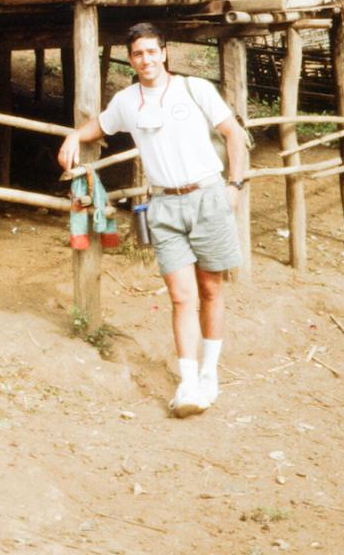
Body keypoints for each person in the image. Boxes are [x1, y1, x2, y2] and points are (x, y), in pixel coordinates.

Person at [57, 22, 248, 417]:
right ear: (131, 59)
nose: (145, 59)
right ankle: (189, 383)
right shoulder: (128, 101)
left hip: (208, 195)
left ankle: (210, 374)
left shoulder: (195, 90)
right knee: (181, 296)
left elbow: (232, 133)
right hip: (164, 205)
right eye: (137, 54)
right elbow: (102, 125)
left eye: (151, 51)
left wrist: (234, 185)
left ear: (164, 53)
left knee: (211, 289)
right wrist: (75, 137)